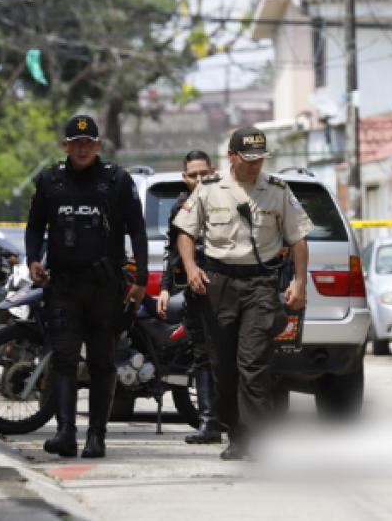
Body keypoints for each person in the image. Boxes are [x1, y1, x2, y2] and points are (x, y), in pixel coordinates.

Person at [172, 126, 314, 460]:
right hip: (218, 284)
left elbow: (298, 238)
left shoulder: (277, 190)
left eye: (260, 159)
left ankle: (257, 436)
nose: (255, 165)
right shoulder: (209, 188)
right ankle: (235, 435)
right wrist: (191, 268)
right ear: (231, 157)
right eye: (248, 159)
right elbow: (185, 232)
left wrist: (300, 282)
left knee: (253, 362)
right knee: (223, 365)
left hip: (260, 284)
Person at [25, 115, 148, 459]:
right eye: (76, 143)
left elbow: (137, 230)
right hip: (63, 287)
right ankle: (65, 433)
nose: (82, 149)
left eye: (88, 143)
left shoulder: (117, 180)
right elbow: (34, 226)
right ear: (65, 145)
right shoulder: (50, 180)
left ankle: (97, 436)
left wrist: (140, 280)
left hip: (104, 289)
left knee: (101, 363)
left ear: (98, 145)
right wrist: (32, 259)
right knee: (64, 359)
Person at [155, 151, 220, 444]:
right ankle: (209, 423)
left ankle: (238, 421)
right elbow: (172, 250)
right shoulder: (180, 208)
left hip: (227, 288)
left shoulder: (227, 200)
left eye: (204, 173)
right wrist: (165, 287)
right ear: (185, 178)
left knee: (230, 355)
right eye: (193, 175)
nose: (199, 179)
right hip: (196, 291)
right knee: (202, 354)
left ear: (213, 171)